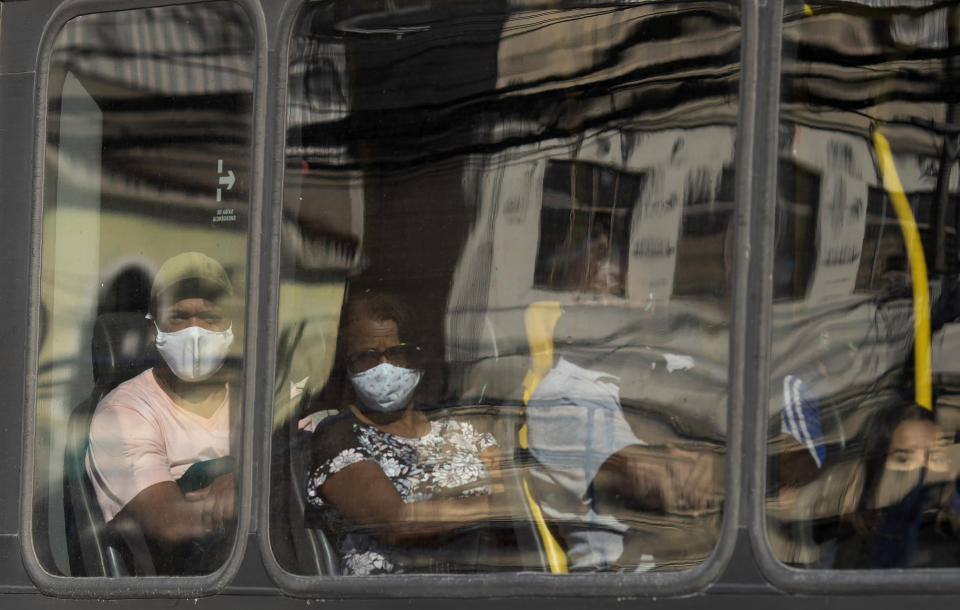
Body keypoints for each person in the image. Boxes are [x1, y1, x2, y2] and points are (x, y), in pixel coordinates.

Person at [303, 291, 505, 575]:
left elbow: (511, 484)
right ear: (346, 365)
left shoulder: (463, 427)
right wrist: (496, 506)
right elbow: (396, 521)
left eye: (397, 353)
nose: (384, 367)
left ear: (416, 357)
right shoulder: (337, 436)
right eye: (366, 357)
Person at [85, 252, 238, 574]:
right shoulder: (124, 412)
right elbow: (171, 525)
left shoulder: (258, 397)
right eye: (179, 317)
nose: (195, 333)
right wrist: (254, 489)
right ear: (154, 330)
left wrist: (240, 482)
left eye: (211, 318)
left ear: (232, 327)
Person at [834, 401, 960, 569]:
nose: (924, 473)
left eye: (936, 458)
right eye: (904, 459)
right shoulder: (850, 555)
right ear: (876, 472)